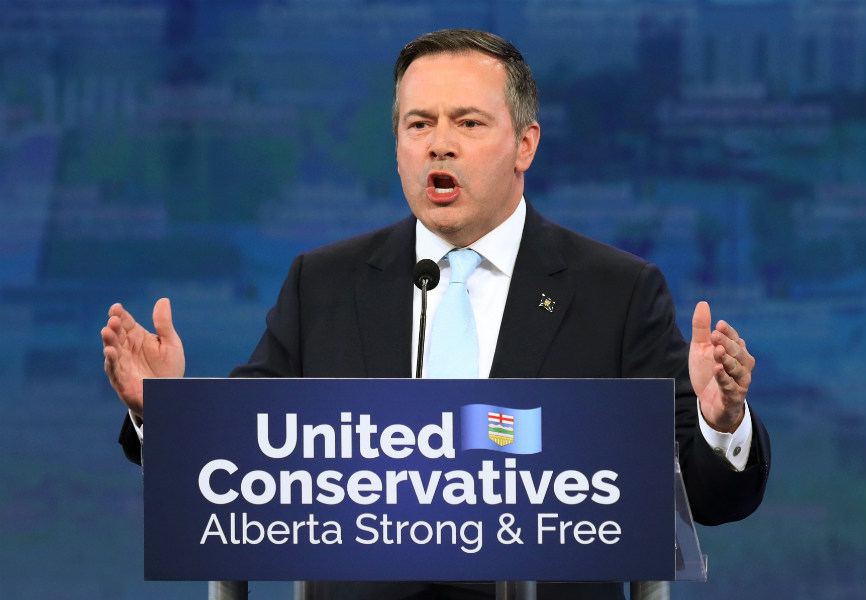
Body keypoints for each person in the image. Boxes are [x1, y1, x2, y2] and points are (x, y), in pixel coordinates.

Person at [102, 29, 769, 600]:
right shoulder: (325, 283)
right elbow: (248, 457)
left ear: (525, 145)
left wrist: (720, 424)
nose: (438, 145)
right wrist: (164, 411)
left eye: (468, 123)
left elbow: (708, 498)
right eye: (419, 124)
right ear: (397, 145)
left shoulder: (615, 291)